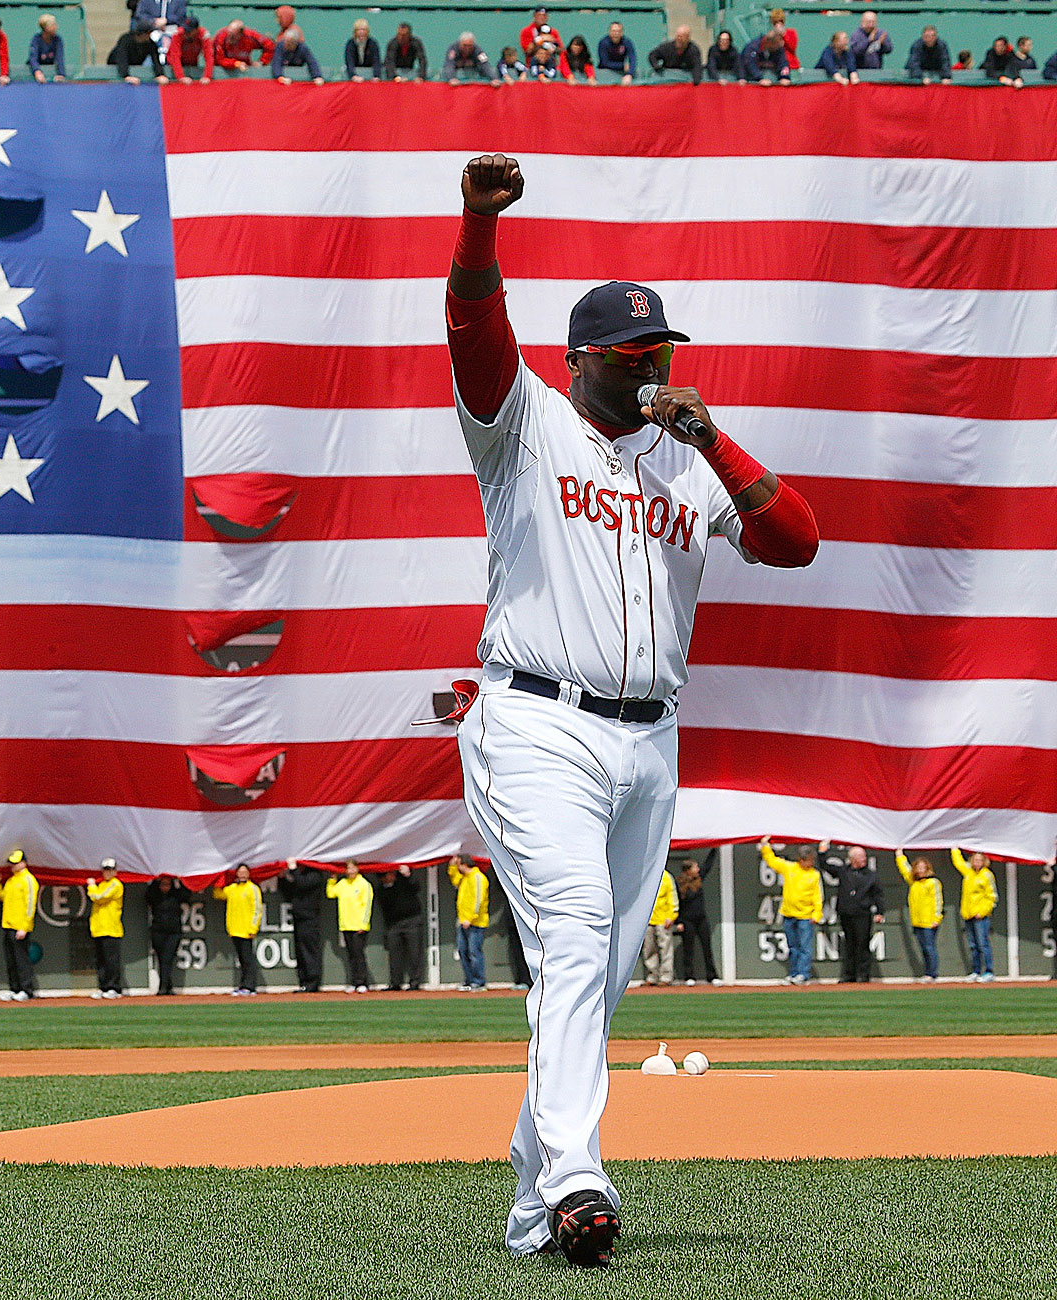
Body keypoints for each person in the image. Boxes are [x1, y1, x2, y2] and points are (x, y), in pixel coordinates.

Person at [448, 153, 819, 1267]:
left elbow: (795, 539)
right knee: (571, 935)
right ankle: (576, 1179)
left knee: (597, 976)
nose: (655, 365)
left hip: (647, 736)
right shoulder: (522, 427)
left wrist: (708, 436)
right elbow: (473, 332)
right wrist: (476, 225)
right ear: (584, 363)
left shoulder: (682, 459)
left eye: (662, 349)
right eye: (633, 354)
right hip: (534, 721)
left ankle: (528, 1202)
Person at [760, 840, 824, 983]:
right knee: (792, 947)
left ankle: (803, 974)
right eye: (809, 860)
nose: (812, 863)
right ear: (801, 860)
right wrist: (765, 846)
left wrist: (816, 914)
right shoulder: (789, 868)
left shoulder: (814, 875)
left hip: (805, 916)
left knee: (805, 948)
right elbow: (772, 861)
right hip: (789, 914)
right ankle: (793, 973)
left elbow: (818, 896)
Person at [817, 845, 884, 981]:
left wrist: (880, 912)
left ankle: (863, 975)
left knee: (863, 944)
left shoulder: (871, 875)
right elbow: (825, 866)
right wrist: (822, 852)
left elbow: (878, 894)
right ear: (852, 859)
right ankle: (849, 975)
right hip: (846, 913)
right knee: (849, 944)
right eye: (860, 857)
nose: (863, 859)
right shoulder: (843, 871)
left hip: (863, 914)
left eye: (864, 856)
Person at [0, 850, 39, 1000]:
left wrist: (24, 927)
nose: (12, 866)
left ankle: (26, 990)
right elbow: (3, 897)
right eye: (12, 863)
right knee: (11, 960)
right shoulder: (12, 880)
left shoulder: (28, 880)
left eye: (16, 863)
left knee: (21, 960)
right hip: (8, 925)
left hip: (20, 927)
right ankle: (15, 989)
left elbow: (30, 905)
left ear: (24, 863)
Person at [277, 860, 328, 992]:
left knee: (310, 951)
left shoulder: (315, 875)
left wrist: (292, 870)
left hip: (310, 919)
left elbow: (302, 883)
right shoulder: (301, 876)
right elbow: (290, 892)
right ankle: (304, 981)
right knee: (300, 951)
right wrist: (282, 879)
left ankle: (312, 982)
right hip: (298, 918)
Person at [212, 864, 263, 995]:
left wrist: (253, 928)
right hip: (234, 929)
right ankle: (243, 985)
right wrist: (218, 878)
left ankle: (249, 986)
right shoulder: (232, 889)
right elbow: (218, 894)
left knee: (247, 959)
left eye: (245, 872)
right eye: (240, 872)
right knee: (241, 960)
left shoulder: (253, 888)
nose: (242, 874)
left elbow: (257, 909)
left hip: (246, 930)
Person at [327, 862, 375, 992]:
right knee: (351, 955)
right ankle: (354, 982)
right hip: (346, 925)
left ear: (357, 869)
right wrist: (332, 879)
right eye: (348, 868)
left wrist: (363, 925)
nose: (350, 871)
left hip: (359, 926)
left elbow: (367, 906)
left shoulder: (364, 884)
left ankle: (362, 983)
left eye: (353, 868)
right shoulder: (343, 883)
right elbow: (331, 893)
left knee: (359, 954)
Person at [376, 864, 425, 990]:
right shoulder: (382, 890)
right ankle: (395, 983)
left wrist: (408, 875)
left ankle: (415, 982)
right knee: (394, 955)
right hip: (394, 924)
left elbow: (416, 887)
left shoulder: (404, 882)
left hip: (412, 921)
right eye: (389, 874)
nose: (392, 875)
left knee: (415, 953)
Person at [896, 851, 943, 981]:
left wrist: (937, 918)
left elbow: (938, 901)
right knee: (924, 948)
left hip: (929, 921)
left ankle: (932, 973)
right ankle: (928, 972)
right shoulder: (914, 882)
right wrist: (900, 855)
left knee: (929, 948)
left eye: (923, 868)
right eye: (918, 867)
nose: (920, 870)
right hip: (917, 921)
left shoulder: (933, 882)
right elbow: (905, 869)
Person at [953, 848, 997, 980]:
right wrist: (954, 848)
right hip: (968, 914)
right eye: (975, 859)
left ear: (984, 861)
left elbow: (992, 897)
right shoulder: (968, 872)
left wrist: (983, 911)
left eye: (979, 860)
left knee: (983, 944)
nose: (977, 862)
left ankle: (989, 971)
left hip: (980, 916)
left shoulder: (987, 875)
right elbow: (958, 862)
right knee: (973, 945)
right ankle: (976, 971)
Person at [86, 859, 126, 997]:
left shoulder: (116, 885)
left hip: (111, 928)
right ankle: (103, 987)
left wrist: (91, 886)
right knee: (101, 961)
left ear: (115, 871)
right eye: (105, 870)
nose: (107, 872)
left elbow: (99, 897)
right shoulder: (102, 884)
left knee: (111, 961)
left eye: (110, 870)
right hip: (99, 928)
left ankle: (114, 988)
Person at [450, 855, 491, 990]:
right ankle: (469, 980)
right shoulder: (465, 878)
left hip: (476, 922)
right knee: (463, 951)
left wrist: (471, 917)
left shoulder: (478, 877)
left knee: (474, 952)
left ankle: (479, 981)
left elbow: (478, 900)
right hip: (464, 921)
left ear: (464, 864)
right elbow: (455, 880)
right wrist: (452, 866)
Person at [675, 856, 717, 984]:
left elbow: (707, 866)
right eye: (695, 867)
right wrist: (679, 921)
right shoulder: (679, 883)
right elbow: (677, 903)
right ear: (688, 870)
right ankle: (689, 976)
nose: (698, 869)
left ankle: (712, 976)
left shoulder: (699, 879)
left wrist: (714, 849)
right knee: (688, 950)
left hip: (701, 919)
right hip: (687, 921)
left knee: (707, 948)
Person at [146, 875, 190, 994]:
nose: (165, 887)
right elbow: (148, 896)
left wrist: (178, 881)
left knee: (168, 958)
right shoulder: (156, 896)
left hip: (173, 932)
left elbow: (186, 896)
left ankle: (163, 987)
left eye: (168, 885)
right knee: (161, 959)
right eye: (163, 884)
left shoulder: (176, 895)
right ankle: (168, 985)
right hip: (158, 931)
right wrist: (155, 880)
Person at [641, 866, 677, 986]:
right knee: (649, 949)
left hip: (663, 919)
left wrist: (672, 915)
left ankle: (666, 977)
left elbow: (672, 896)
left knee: (665, 948)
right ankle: (652, 976)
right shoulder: (644, 875)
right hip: (648, 919)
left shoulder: (666, 877)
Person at [167, 15, 210, 81]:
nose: (186, 33)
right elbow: (175, 56)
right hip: (173, 67)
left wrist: (207, 76)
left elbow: (208, 56)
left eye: (189, 31)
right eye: (185, 30)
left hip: (192, 64)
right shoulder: (178, 34)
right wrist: (181, 77)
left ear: (196, 30)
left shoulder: (203, 34)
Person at [25, 12, 61, 80]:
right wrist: (37, 72)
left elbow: (60, 57)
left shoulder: (58, 40)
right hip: (32, 74)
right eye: (53, 25)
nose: (56, 27)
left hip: (49, 72)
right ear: (46, 28)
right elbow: (33, 58)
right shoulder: (36, 40)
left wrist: (61, 74)